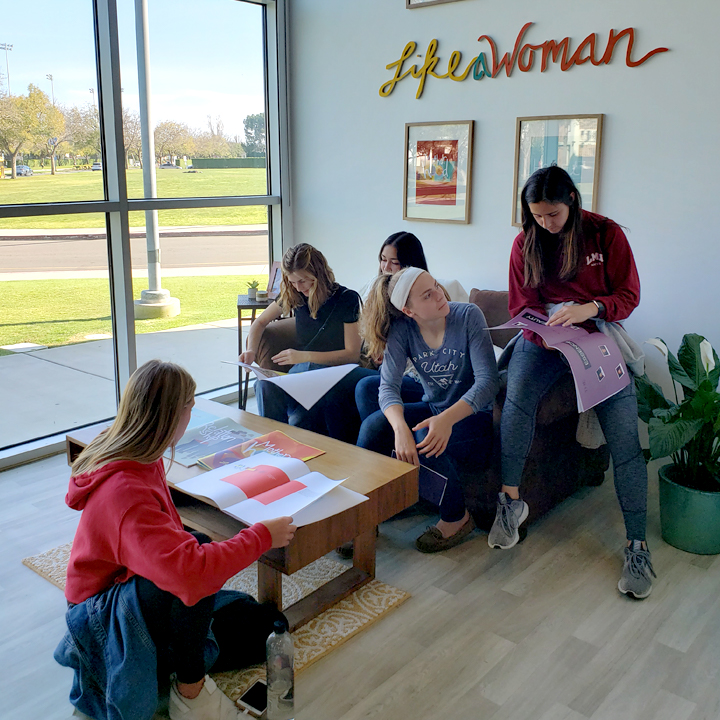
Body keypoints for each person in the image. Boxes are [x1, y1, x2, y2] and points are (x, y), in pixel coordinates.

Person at [54, 360, 296, 720]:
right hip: (103, 620)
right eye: (189, 402)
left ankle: (173, 661)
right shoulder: (124, 493)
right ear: (169, 416)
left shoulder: (136, 450)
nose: (194, 408)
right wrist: (261, 536)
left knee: (265, 625)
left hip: (133, 587)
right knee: (195, 574)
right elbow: (192, 574)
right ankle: (191, 694)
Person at [492, 164, 656, 599]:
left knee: (624, 437)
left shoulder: (605, 235)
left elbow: (629, 296)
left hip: (597, 336)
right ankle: (510, 502)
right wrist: (547, 333)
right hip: (544, 340)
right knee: (516, 399)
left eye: (553, 215)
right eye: (537, 216)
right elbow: (521, 305)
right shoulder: (524, 243)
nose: (545, 224)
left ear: (572, 204)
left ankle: (637, 545)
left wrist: (590, 309)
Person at [357, 267, 499, 553]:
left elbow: (488, 382)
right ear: (409, 311)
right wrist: (399, 429)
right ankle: (364, 514)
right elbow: (387, 387)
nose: (439, 295)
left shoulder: (468, 315)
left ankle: (457, 517)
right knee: (374, 427)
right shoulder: (402, 330)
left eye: (435, 286)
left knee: (426, 440)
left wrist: (445, 420)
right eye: (427, 294)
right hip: (434, 408)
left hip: (473, 417)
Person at [239, 243, 374, 442]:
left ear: (318, 274)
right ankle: (273, 444)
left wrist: (303, 356)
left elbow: (352, 354)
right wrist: (251, 350)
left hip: (338, 371)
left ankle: (295, 438)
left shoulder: (346, 299)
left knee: (307, 377)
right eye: (292, 282)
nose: (298, 287)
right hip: (304, 372)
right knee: (265, 386)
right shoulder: (294, 295)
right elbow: (260, 322)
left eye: (303, 281)